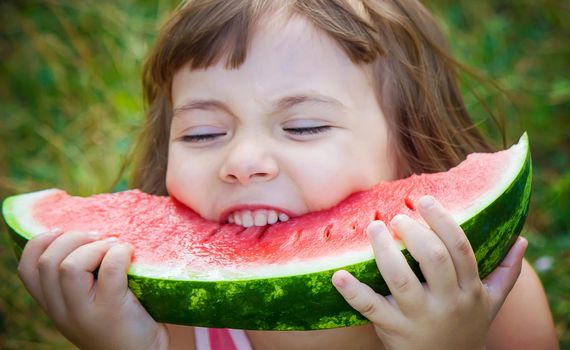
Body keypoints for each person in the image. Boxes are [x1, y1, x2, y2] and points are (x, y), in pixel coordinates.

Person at [17, 0, 558, 349]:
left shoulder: (493, 299)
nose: (242, 162)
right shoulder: (168, 313)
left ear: (411, 145)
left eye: (303, 127)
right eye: (202, 133)